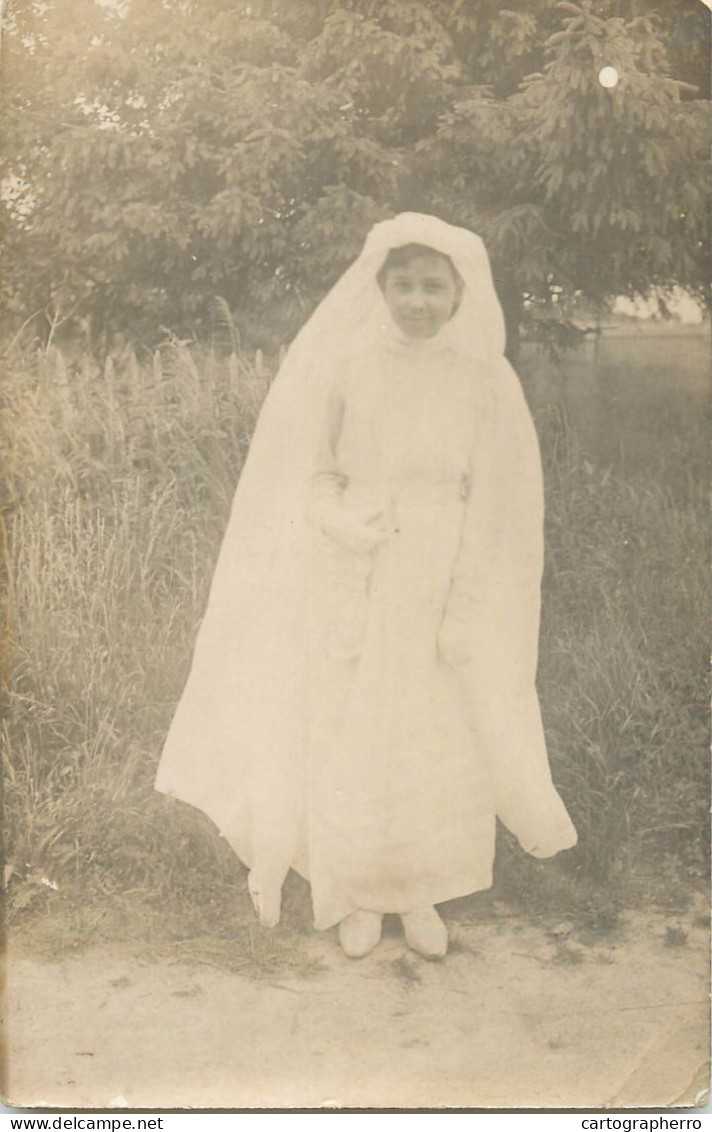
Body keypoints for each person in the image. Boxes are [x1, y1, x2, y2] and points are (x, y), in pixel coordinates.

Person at [155, 212, 577, 960]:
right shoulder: (347, 368)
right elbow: (314, 477)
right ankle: (351, 891)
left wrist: (464, 604)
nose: (418, 301)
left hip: (438, 574)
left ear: (458, 293)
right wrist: (340, 521)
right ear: (379, 287)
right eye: (404, 285)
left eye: (433, 287)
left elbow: (496, 506)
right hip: (353, 571)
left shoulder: (484, 379)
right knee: (351, 726)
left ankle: (417, 889)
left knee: (430, 730)